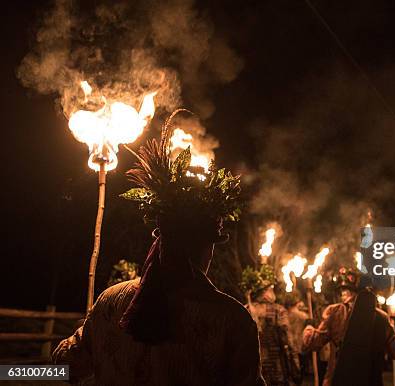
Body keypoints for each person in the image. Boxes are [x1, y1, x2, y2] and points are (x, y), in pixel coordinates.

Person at [53, 124, 265, 385]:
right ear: (204, 248)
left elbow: (67, 367)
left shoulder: (111, 301)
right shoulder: (232, 320)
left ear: (161, 239)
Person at [302, 267, 395, 386]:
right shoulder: (382, 317)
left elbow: (313, 342)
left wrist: (308, 326)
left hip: (339, 380)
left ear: (345, 291)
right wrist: (392, 327)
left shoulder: (335, 312)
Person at [247, 279, 297, 386]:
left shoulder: (244, 309)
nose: (272, 292)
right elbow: (287, 337)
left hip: (252, 365)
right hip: (275, 363)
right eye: (270, 289)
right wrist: (294, 359)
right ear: (263, 292)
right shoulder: (278, 310)